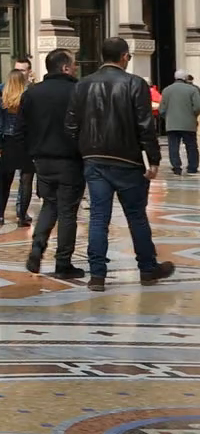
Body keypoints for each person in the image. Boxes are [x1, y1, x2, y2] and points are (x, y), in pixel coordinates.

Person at [67, 36, 176, 291]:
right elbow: (145, 126)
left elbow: (71, 125)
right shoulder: (134, 83)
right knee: (136, 216)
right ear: (125, 56)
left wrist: (83, 150)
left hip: (94, 160)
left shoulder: (83, 84)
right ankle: (147, 268)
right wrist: (154, 159)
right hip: (128, 160)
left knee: (98, 217)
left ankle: (97, 275)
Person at [23, 48, 85, 278]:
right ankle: (63, 263)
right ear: (65, 67)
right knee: (68, 211)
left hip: (42, 159)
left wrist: (30, 155)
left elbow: (22, 127)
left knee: (49, 204)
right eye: (74, 64)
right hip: (70, 159)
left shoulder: (32, 92)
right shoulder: (77, 90)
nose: (76, 68)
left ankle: (37, 248)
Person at [0, 69, 35, 227]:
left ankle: (0, 214)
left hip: (8, 141)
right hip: (26, 141)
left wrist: (0, 144)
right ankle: (22, 215)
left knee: (4, 180)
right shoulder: (28, 97)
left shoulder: (4, 100)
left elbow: (0, 126)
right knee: (26, 179)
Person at [161, 70, 200, 176]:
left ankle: (176, 167)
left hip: (172, 123)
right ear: (185, 78)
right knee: (191, 146)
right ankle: (192, 167)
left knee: (173, 146)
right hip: (188, 123)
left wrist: (167, 117)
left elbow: (162, 109)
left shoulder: (166, 90)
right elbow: (197, 106)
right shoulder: (192, 90)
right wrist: (193, 116)